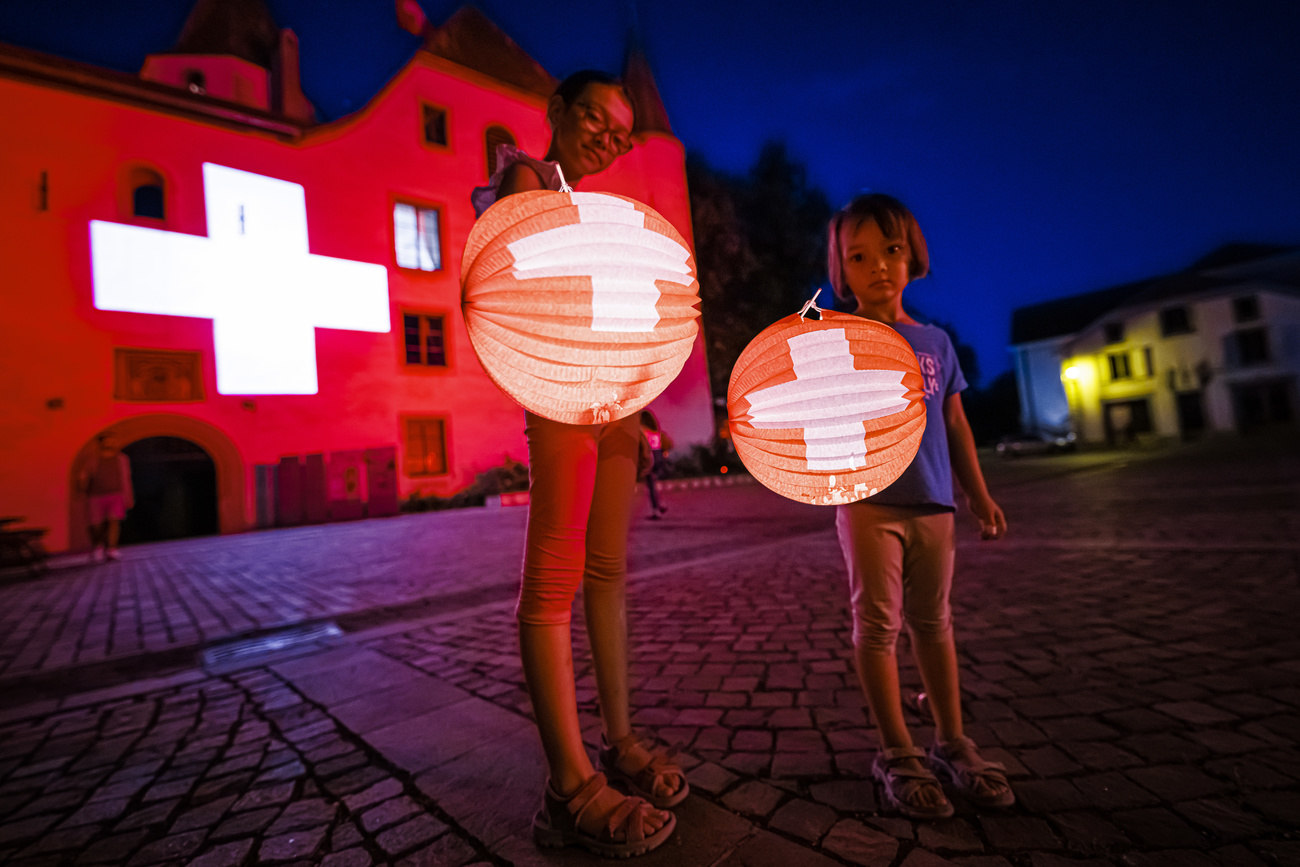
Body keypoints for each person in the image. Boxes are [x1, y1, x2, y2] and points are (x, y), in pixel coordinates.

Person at [471, 70, 685, 858]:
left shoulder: (604, 209)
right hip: (564, 388)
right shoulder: (527, 176)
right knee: (555, 574)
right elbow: (522, 272)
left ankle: (621, 742)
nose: (610, 136)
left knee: (608, 569)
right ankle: (567, 784)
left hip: (618, 396)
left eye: (624, 131)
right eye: (597, 117)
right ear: (559, 111)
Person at [827, 193, 1014, 819]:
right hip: (869, 504)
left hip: (935, 504)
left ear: (912, 257)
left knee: (934, 624)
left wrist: (979, 494)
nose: (877, 266)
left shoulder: (935, 341)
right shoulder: (840, 337)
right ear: (841, 271)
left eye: (891, 250)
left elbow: (956, 424)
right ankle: (896, 751)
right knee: (876, 628)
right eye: (859, 256)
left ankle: (952, 742)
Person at [83, 433, 133, 562]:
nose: (110, 444)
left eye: (112, 442)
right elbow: (84, 476)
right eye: (107, 442)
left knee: (113, 521)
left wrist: (128, 496)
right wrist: (83, 486)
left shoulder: (121, 459)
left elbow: (125, 478)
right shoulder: (93, 459)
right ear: (101, 444)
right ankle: (98, 546)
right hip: (96, 495)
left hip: (116, 494)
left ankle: (112, 549)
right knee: (96, 524)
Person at [638, 410, 670, 519]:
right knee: (655, 482)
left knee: (651, 485)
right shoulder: (655, 431)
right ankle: (660, 503)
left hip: (651, 457)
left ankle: (655, 510)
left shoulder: (642, 430)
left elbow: (644, 447)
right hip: (659, 456)